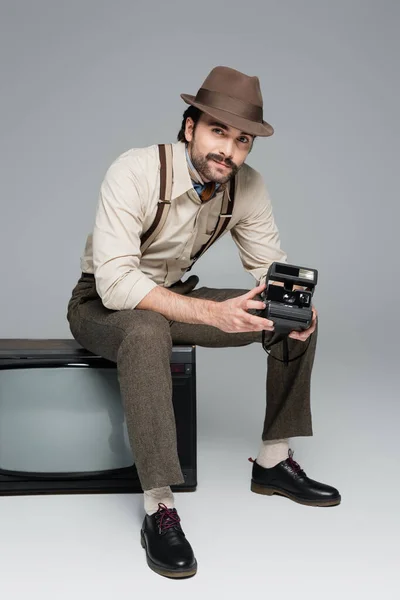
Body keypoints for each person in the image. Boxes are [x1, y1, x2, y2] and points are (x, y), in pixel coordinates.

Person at [67, 66, 340, 579]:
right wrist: (212, 312)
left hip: (177, 297)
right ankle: (159, 508)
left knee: (294, 314)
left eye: (242, 141)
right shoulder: (135, 170)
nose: (229, 152)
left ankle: (273, 462)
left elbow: (267, 268)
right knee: (146, 329)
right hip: (100, 304)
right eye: (219, 132)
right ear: (190, 127)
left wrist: (288, 306)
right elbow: (116, 285)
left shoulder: (247, 187)